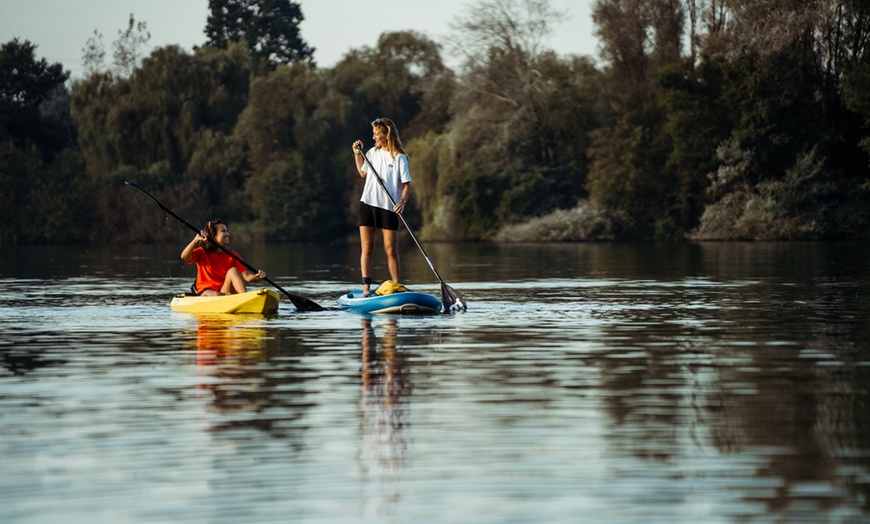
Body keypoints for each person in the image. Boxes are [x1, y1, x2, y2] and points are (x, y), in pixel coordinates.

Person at [352, 117, 411, 296]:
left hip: (389, 207)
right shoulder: (371, 153)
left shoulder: (400, 157)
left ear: (387, 135)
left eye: (377, 134)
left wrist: (402, 202)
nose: (374, 137)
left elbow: (406, 184)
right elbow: (363, 173)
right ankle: (366, 288)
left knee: (391, 249)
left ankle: (397, 286)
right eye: (373, 134)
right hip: (368, 205)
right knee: (367, 248)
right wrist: (356, 154)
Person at [180, 219, 266, 296]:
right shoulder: (202, 252)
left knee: (233, 270)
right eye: (223, 231)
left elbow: (247, 276)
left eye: (227, 231)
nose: (227, 234)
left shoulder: (233, 254)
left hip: (224, 291)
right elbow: (184, 256)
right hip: (206, 292)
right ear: (213, 236)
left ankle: (245, 298)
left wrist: (258, 277)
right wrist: (196, 240)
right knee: (216, 294)